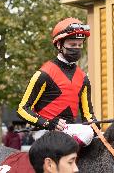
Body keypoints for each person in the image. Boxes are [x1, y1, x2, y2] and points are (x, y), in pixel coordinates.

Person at [17, 17, 99, 146]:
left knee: (98, 136)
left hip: (72, 131)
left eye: (80, 45)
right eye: (72, 45)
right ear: (59, 45)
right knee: (87, 133)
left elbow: (88, 116)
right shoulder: (43, 74)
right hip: (45, 131)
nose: (77, 49)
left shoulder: (84, 78)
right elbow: (22, 109)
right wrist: (48, 123)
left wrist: (97, 128)